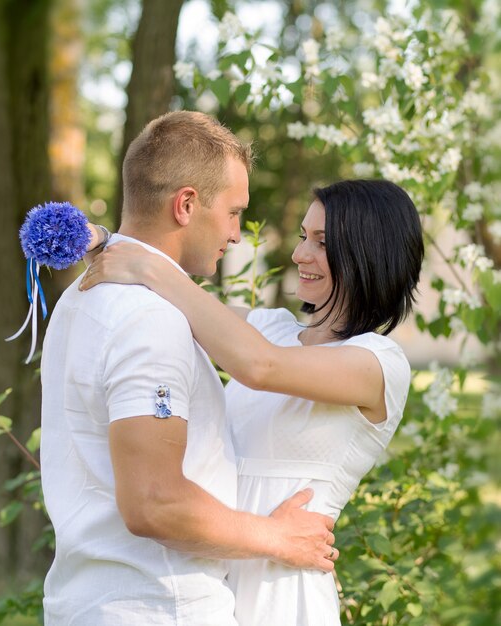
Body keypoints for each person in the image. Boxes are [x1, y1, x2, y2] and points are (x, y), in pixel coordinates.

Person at [79, 178, 424, 625]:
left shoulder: (378, 365)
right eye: (303, 237)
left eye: (322, 242)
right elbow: (179, 302)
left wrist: (149, 268)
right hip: (209, 569)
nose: (300, 254)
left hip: (280, 588)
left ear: (369, 253)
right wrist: (110, 244)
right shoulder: (272, 327)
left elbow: (260, 368)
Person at [39, 110, 337, 626]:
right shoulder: (148, 319)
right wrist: (279, 538)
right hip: (159, 606)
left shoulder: (79, 298)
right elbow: (153, 502)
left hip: (87, 601)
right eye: (233, 213)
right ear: (186, 205)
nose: (238, 235)